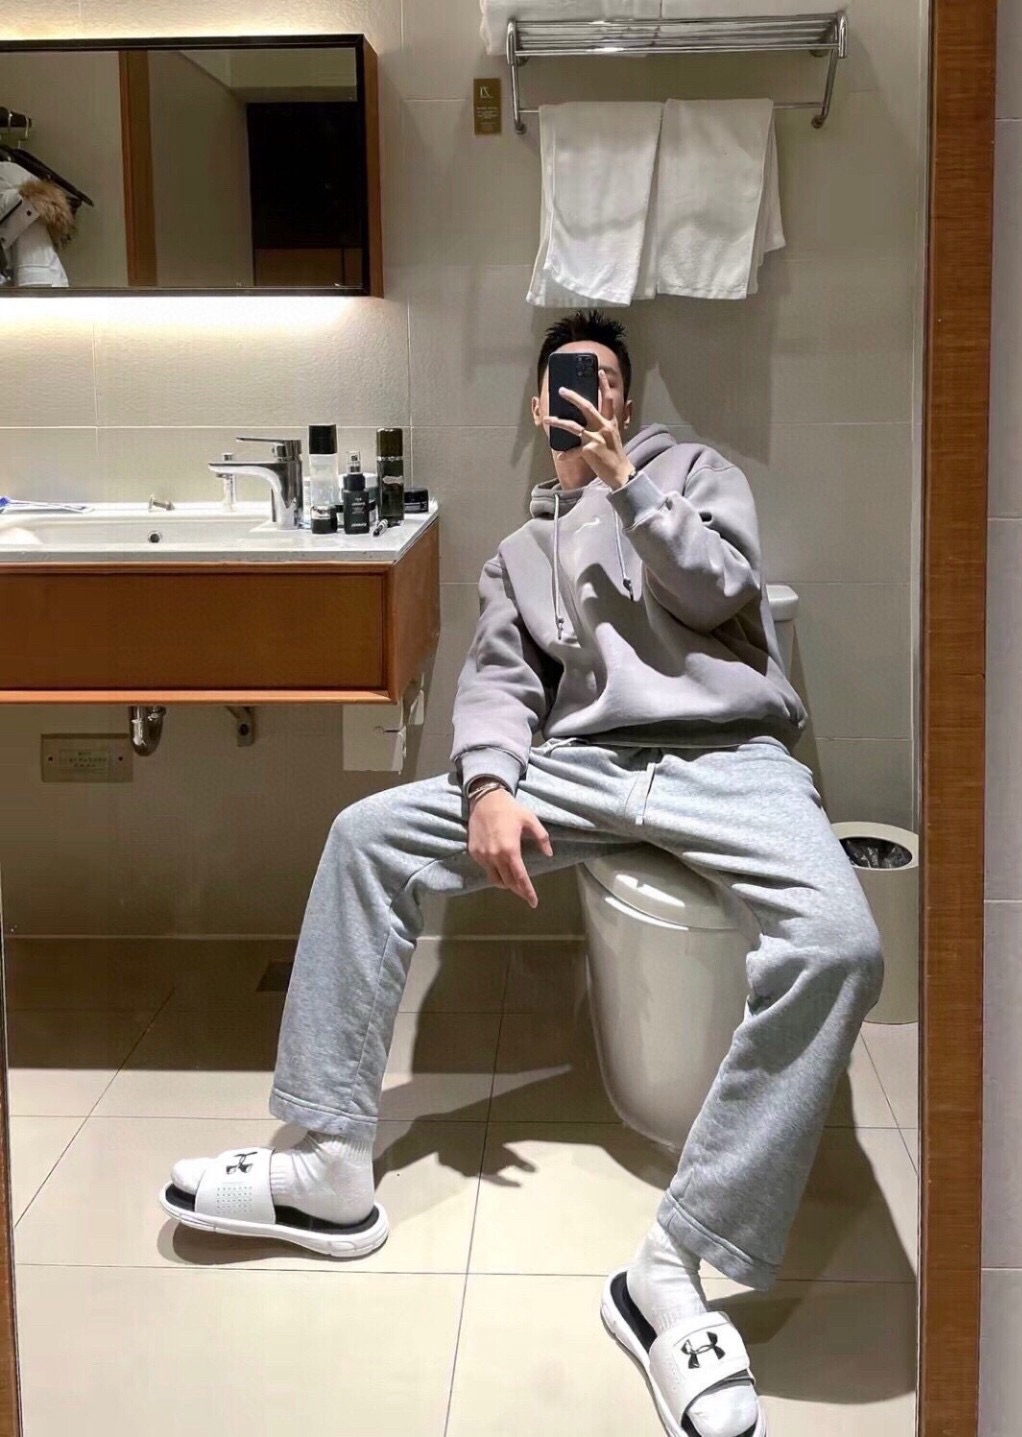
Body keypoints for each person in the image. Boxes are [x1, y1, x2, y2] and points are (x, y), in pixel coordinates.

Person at [161, 310, 883, 1437]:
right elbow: (499, 681)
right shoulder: (519, 551)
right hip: (586, 770)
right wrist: (491, 783)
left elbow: (718, 591)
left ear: (626, 402)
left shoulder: (695, 475)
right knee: (366, 837)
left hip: (729, 761)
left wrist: (626, 484)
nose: (584, 400)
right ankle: (332, 1162)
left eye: (604, 383)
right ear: (537, 406)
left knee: (843, 945)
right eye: (565, 385)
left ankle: (671, 1265)